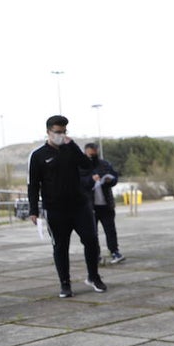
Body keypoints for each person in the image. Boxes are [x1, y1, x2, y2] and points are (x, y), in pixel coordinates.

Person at [27, 115, 106, 297]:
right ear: (48, 132)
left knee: (91, 240)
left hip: (79, 205)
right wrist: (33, 210)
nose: (61, 135)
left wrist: (72, 146)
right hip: (55, 209)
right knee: (60, 246)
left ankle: (93, 276)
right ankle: (65, 283)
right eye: (57, 132)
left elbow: (87, 166)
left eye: (64, 132)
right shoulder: (38, 155)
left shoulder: (71, 149)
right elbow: (33, 184)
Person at [80, 143, 125, 263]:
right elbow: (79, 182)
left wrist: (110, 180)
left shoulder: (104, 164)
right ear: (85, 152)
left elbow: (115, 177)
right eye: (90, 154)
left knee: (110, 230)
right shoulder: (80, 166)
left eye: (95, 154)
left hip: (106, 204)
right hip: (90, 206)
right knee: (92, 233)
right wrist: (90, 180)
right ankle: (96, 255)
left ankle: (114, 252)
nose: (93, 156)